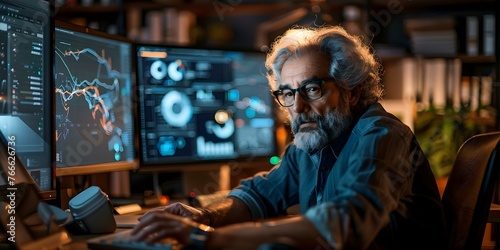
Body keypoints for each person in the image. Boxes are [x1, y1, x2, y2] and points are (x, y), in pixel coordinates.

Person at [130, 25, 448, 249]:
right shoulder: (311, 143)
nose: (298, 107)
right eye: (287, 93)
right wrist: (203, 216)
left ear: (353, 93)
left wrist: (206, 238)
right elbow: (259, 195)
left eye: (312, 89)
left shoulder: (383, 136)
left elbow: (344, 224)